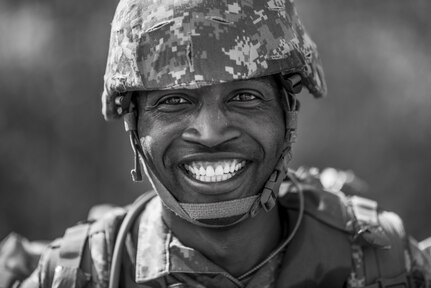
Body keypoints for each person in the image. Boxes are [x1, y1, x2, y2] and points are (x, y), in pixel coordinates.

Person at [2, 0, 431, 287]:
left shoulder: (383, 263)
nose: (209, 133)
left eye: (244, 97)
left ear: (287, 114)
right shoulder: (82, 275)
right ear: (135, 124)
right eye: (174, 101)